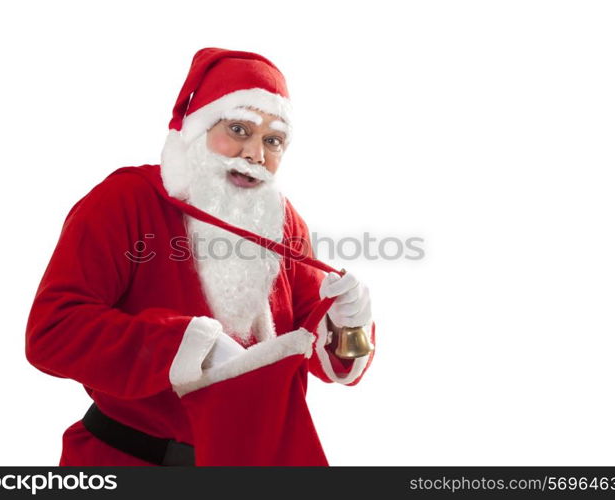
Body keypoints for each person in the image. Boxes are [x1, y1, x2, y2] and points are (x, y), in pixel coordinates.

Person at [25, 47, 376, 466]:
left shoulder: (283, 222)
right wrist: (186, 348)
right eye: (239, 129)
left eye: (273, 140)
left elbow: (313, 334)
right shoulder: (123, 201)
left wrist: (344, 326)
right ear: (197, 128)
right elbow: (53, 332)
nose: (255, 154)